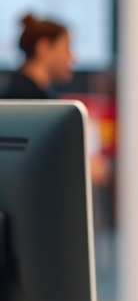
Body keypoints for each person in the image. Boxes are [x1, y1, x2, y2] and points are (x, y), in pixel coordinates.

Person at [1, 13, 110, 186]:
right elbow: (29, 166)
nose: (73, 57)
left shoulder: (38, 97)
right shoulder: (24, 101)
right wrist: (82, 170)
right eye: (67, 48)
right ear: (44, 48)